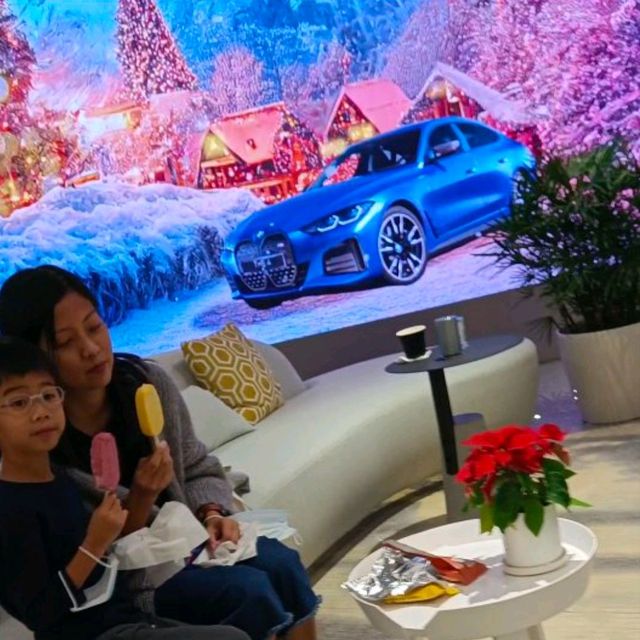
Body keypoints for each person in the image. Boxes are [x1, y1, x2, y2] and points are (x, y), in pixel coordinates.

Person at [0, 266, 320, 640]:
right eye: (65, 343)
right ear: (33, 357)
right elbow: (100, 559)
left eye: (94, 327)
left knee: (282, 564)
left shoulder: (147, 383)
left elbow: (197, 466)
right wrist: (141, 495)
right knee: (248, 592)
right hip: (133, 580)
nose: (91, 349)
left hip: (194, 540)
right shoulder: (44, 446)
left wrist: (212, 513)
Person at [0, 336, 249, 640]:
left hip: (125, 616)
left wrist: (132, 510)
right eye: (19, 402)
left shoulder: (58, 480)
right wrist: (94, 545)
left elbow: (105, 566)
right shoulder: (9, 507)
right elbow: (41, 613)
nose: (41, 411)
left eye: (49, 395)